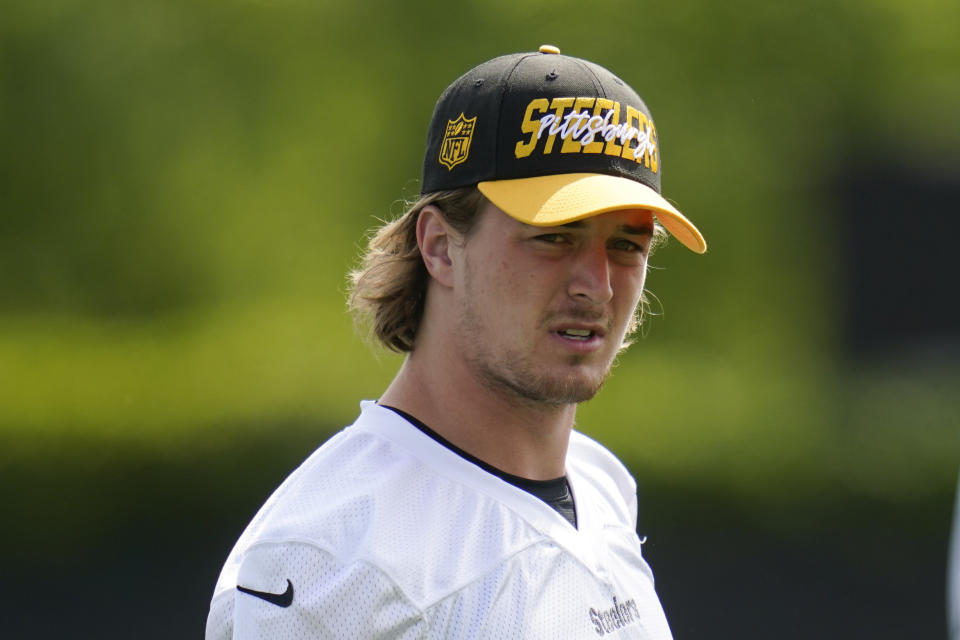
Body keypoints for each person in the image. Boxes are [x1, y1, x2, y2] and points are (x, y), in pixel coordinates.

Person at [206, 44, 706, 639]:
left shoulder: (600, 485)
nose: (596, 285)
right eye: (554, 237)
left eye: (627, 245)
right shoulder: (331, 557)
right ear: (440, 247)